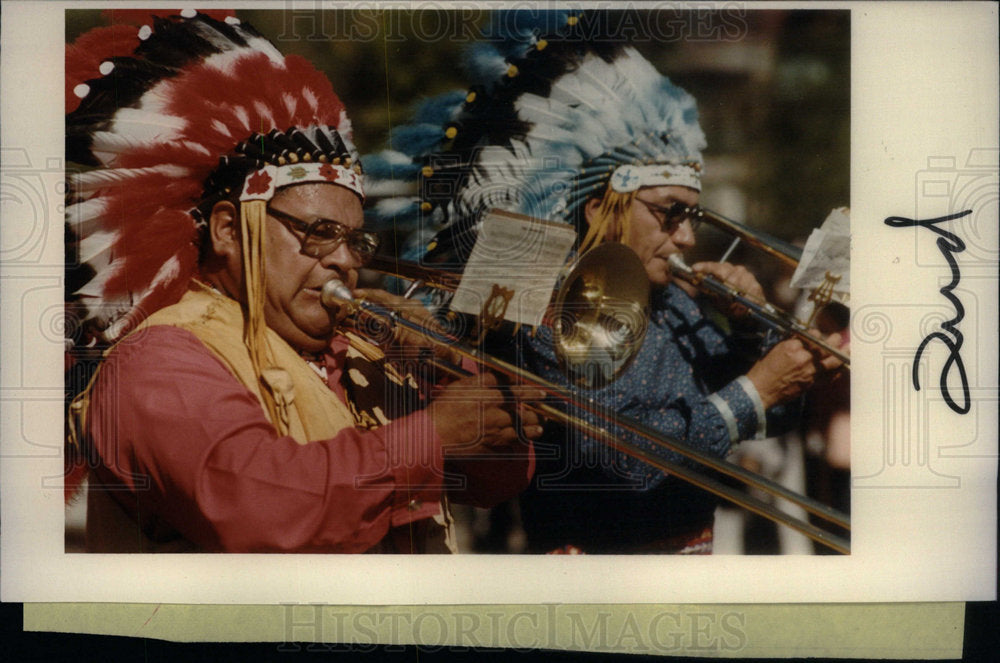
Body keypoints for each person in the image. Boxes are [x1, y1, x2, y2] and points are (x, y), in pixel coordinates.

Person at [362, 10, 845, 553]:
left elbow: (770, 418)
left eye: (694, 217)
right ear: (599, 208)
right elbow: (620, 456)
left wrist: (756, 338)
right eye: (670, 213)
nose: (687, 238)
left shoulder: (673, 303)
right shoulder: (538, 301)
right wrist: (756, 388)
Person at [64, 10, 538, 553]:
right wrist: (434, 434)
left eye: (355, 241)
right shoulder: (159, 360)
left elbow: (498, 481)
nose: (345, 262)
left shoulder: (357, 351)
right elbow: (262, 512)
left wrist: (450, 373)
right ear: (227, 230)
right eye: (318, 233)